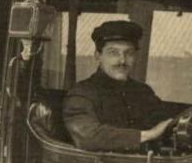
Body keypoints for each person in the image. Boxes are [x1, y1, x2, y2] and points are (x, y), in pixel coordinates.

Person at [62, 20, 176, 151]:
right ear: (98, 56)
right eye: (113, 53)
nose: (122, 61)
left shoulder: (143, 92)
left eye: (129, 53)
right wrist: (147, 135)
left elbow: (164, 122)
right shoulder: (81, 94)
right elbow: (88, 137)